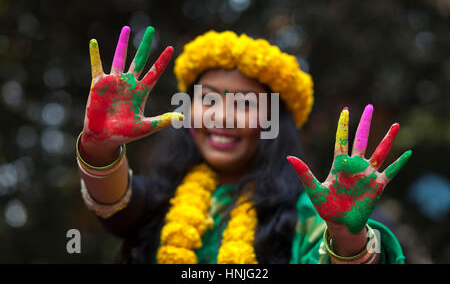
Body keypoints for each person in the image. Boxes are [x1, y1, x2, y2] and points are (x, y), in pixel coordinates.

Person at [76, 25, 411, 264]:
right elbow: (116, 202)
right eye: (207, 100)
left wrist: (347, 237)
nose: (223, 117)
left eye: (245, 104)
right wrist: (99, 146)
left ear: (272, 123)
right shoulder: (162, 198)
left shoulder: (304, 216)